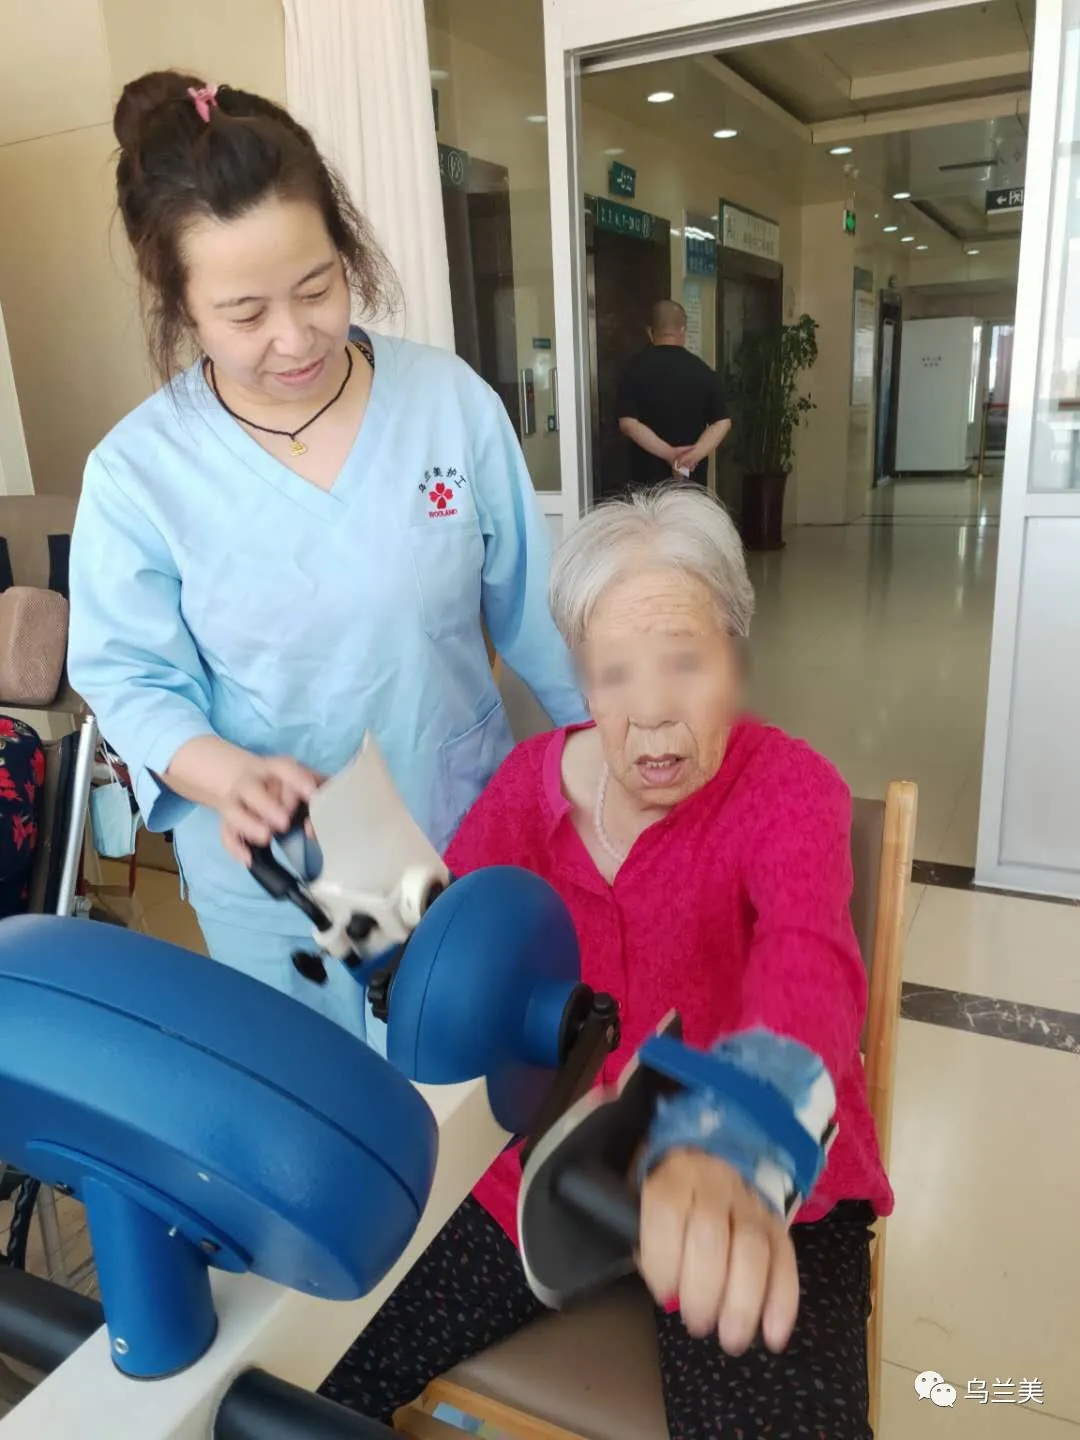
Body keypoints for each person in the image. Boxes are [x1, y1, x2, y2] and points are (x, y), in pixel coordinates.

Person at [321, 486, 891, 1438]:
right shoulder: (528, 786)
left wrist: (734, 1140)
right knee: (309, 1373)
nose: (652, 712)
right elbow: (441, 950)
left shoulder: (789, 787)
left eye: (686, 664)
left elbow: (812, 963)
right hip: (542, 1173)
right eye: (615, 673)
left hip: (741, 1192)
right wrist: (332, 866)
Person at [67, 71, 584, 1045]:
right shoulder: (139, 472)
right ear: (180, 305)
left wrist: (615, 753)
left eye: (317, 288)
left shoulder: (447, 404)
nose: (294, 336)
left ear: (346, 248)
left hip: (450, 823)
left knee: (455, 1081)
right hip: (281, 868)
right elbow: (127, 673)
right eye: (244, 313)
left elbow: (539, 611)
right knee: (321, 1103)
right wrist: (221, 773)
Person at [617, 300, 732, 490]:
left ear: (650, 332)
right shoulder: (703, 372)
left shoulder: (632, 370)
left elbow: (628, 424)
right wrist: (691, 456)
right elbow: (722, 422)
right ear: (683, 330)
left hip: (646, 484)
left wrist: (670, 454)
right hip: (691, 482)